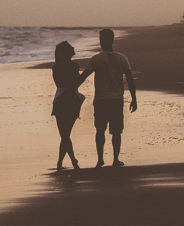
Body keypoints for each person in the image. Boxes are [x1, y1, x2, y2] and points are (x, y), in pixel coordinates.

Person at [78, 28, 137, 168]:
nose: (100, 41)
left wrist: (70, 89)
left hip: (101, 101)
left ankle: (100, 160)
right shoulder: (122, 58)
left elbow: (84, 76)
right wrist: (134, 98)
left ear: (103, 40)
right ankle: (115, 159)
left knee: (100, 130)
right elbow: (130, 79)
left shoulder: (96, 59)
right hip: (116, 100)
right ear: (112, 40)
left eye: (101, 38)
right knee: (116, 132)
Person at [51, 40, 85, 170]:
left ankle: (62, 163)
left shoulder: (55, 67)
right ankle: (72, 161)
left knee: (64, 135)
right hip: (72, 99)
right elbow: (76, 82)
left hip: (60, 99)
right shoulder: (74, 66)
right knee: (66, 134)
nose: (73, 48)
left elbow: (58, 84)